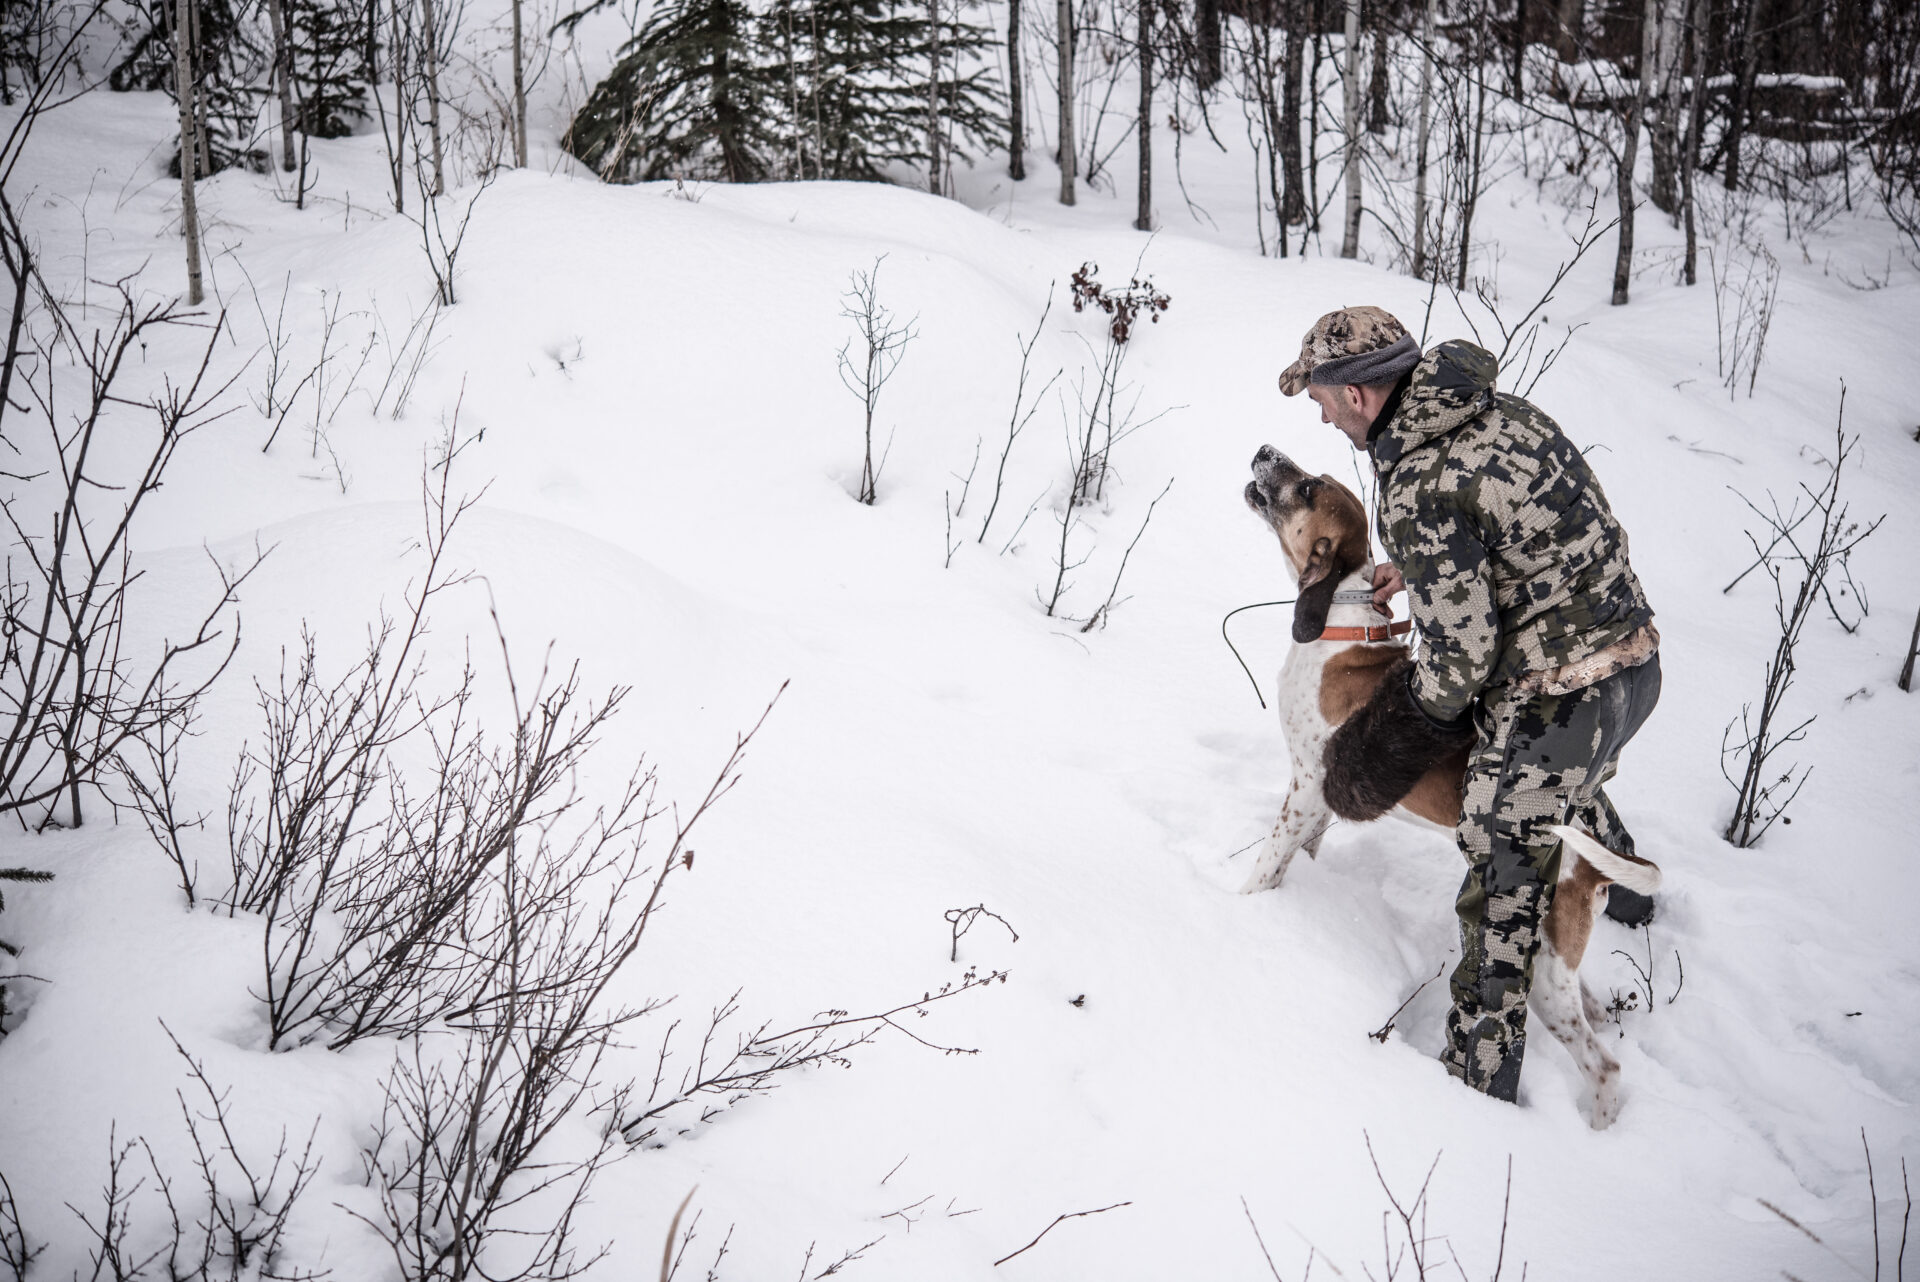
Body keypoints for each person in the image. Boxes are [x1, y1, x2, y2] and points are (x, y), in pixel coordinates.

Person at [1278, 305, 1662, 1103]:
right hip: (1636, 668)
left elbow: (1458, 665)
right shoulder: (1490, 410)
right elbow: (1523, 536)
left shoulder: (1416, 478)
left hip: (1564, 695)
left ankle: (1475, 1089)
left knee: (1500, 865)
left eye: (1317, 395)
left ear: (1354, 394)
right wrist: (1421, 573)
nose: (1315, 411)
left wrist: (1384, 744)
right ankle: (1627, 894)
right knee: (1551, 775)